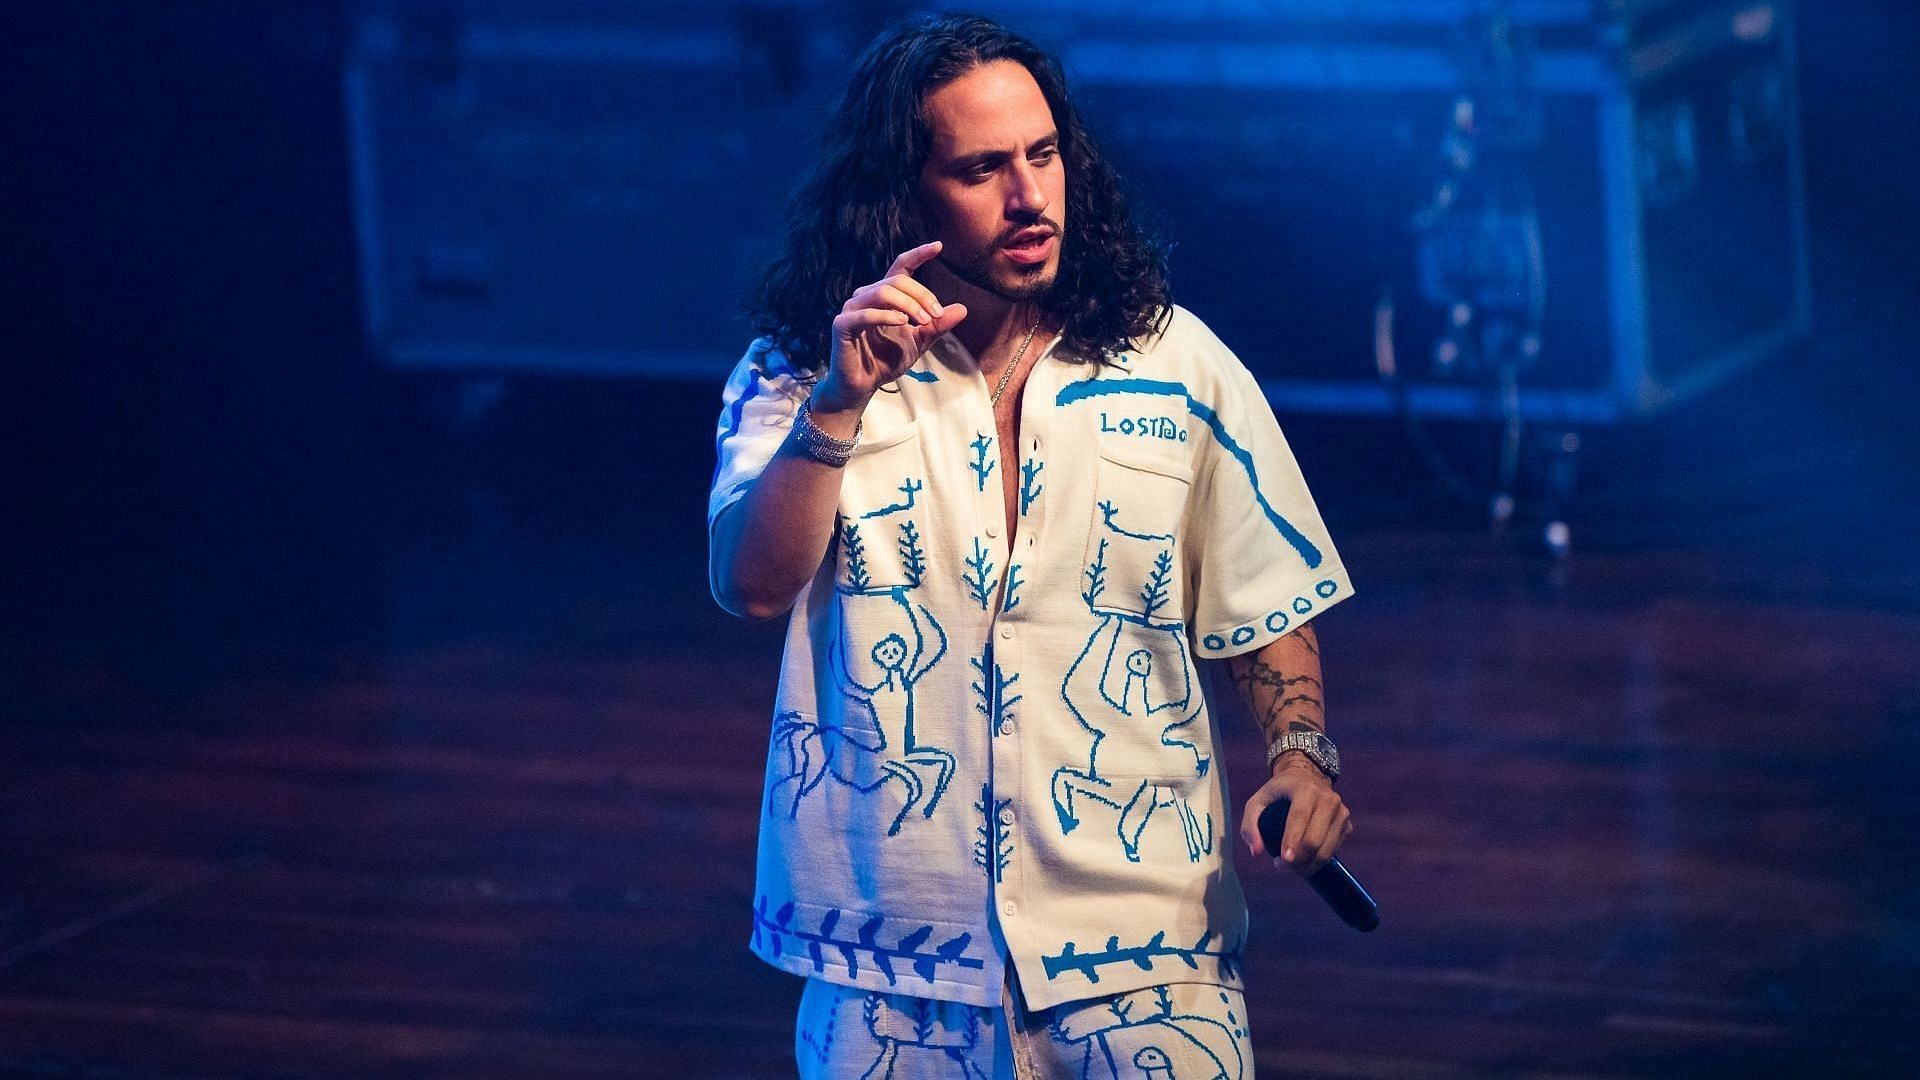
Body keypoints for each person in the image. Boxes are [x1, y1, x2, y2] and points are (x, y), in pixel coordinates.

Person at [709, 14, 1354, 1077]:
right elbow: (752, 584)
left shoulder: (1176, 362)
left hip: (1148, 950)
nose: (1029, 197)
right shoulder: (799, 371)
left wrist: (1301, 757)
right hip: (892, 962)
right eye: (981, 169)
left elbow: (1264, 595)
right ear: (901, 197)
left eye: (1043, 155)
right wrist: (838, 404)